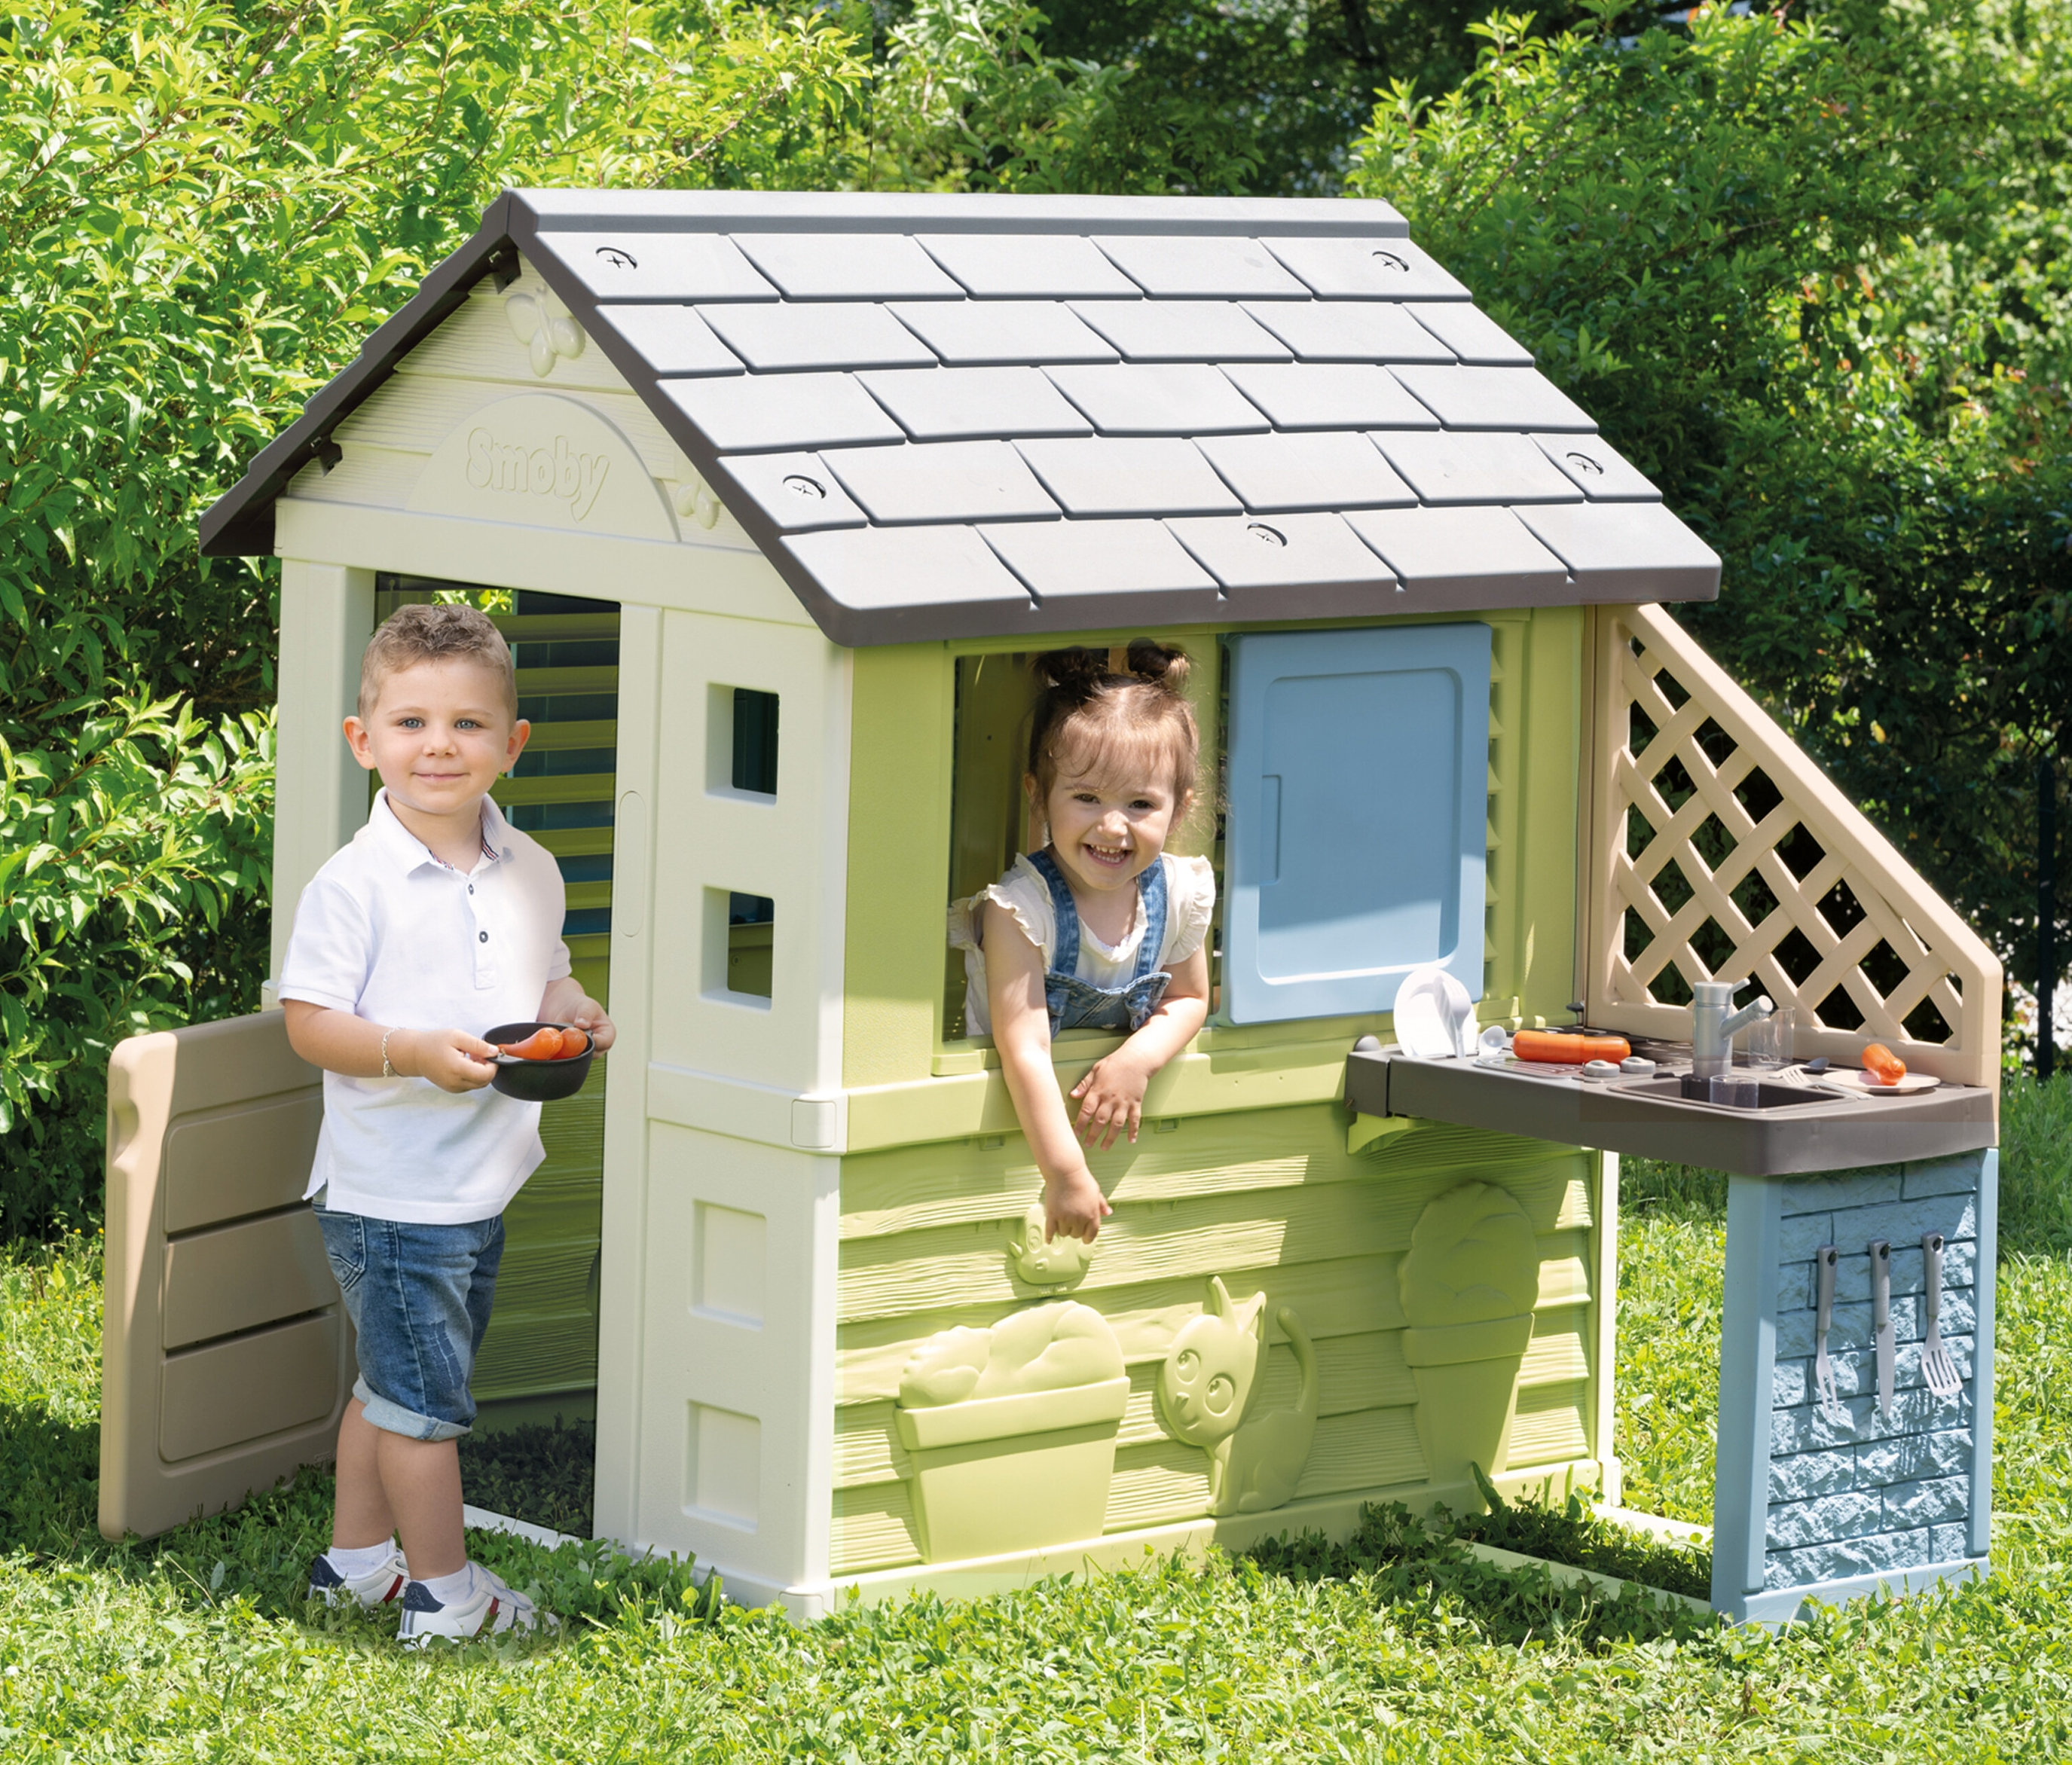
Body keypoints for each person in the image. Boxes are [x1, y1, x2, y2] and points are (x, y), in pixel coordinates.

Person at [278, 601, 614, 1644]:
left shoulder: (531, 867)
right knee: (426, 1408)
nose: (439, 745)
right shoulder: (355, 885)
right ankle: (446, 1596)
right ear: (362, 739)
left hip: (478, 1177)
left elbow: (541, 976)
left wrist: (572, 1011)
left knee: (393, 1380)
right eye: (413, 721)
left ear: (510, 744)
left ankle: (357, 1562)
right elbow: (308, 1023)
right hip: (394, 1188)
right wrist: (410, 1049)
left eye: (468, 723)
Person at [949, 642, 1214, 1244]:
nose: (1113, 826)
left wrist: (1134, 1062)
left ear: (1178, 812)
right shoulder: (1020, 909)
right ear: (1039, 793)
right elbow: (1026, 1050)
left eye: (1141, 803)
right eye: (1087, 797)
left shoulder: (1179, 890)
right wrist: (1065, 1173)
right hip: (1004, 1145)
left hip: (1118, 1154)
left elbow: (1189, 999)